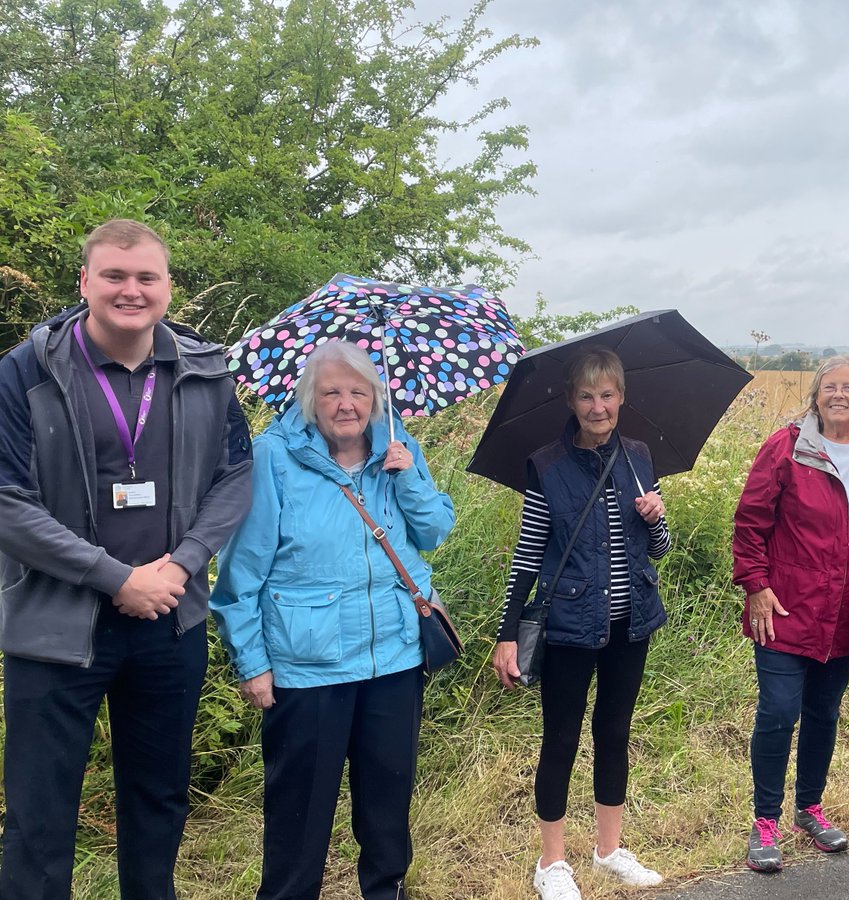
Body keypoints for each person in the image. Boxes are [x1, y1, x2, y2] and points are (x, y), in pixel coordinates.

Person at [0, 218, 253, 900]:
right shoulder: (25, 371)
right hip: (55, 628)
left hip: (168, 622)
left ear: (169, 287)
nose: (130, 290)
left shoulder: (206, 369)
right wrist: (116, 578)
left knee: (159, 800)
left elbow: (236, 476)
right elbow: (6, 502)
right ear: (84, 281)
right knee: (38, 816)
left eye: (146, 277)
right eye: (114, 275)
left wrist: (183, 564)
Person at [210, 339, 454, 900]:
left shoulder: (395, 444)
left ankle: (385, 891)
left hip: (394, 656)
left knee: (388, 807)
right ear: (309, 401)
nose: (346, 404)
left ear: (375, 397)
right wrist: (252, 663)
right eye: (331, 392)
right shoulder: (273, 456)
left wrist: (409, 475)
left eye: (358, 391)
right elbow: (240, 573)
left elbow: (435, 531)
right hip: (307, 667)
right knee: (300, 815)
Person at [491, 347, 672, 900]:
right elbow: (528, 555)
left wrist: (658, 520)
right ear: (572, 401)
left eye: (608, 394)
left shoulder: (639, 456)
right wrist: (506, 634)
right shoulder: (547, 465)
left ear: (621, 397)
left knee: (614, 732)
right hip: (569, 623)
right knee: (561, 739)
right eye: (588, 396)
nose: (599, 406)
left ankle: (610, 850)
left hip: (630, 622)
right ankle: (552, 864)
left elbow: (656, 552)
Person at [733, 355, 849, 871]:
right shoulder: (788, 446)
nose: (838, 395)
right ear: (816, 396)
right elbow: (750, 523)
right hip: (783, 608)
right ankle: (765, 822)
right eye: (829, 387)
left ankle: (810, 809)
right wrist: (755, 586)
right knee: (778, 713)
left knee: (824, 714)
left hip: (845, 612)